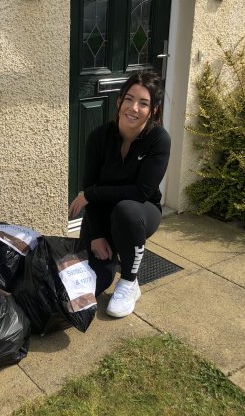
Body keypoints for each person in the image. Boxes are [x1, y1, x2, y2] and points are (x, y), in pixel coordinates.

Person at [68, 70, 171, 318]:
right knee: (93, 283)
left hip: (141, 211)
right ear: (119, 101)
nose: (133, 108)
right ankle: (111, 265)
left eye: (143, 103)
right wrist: (97, 234)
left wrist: (91, 194)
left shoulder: (159, 140)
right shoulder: (98, 137)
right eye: (129, 99)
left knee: (126, 210)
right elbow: (90, 187)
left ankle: (129, 281)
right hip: (101, 215)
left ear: (153, 110)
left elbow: (141, 191)